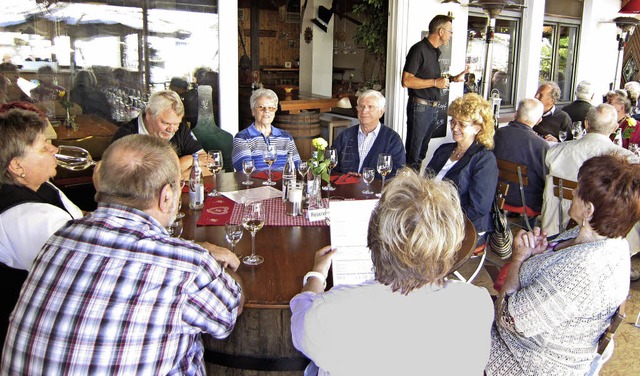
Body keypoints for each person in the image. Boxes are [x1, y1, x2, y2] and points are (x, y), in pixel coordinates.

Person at [1, 134, 244, 374]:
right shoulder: (187, 266)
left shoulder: (56, 241)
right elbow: (228, 313)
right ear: (167, 196)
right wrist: (215, 262)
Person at [291, 167, 493, 375]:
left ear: (373, 237)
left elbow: (299, 320)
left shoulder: (332, 311)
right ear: (449, 245)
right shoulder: (477, 302)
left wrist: (316, 274)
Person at [487, 154, 640, 375]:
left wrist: (519, 258)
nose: (573, 193)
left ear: (589, 211)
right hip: (535, 335)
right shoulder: (601, 238)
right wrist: (538, 252)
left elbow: (508, 319)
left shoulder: (584, 270)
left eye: (578, 191)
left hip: (526, 358)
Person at [0, 107, 84, 351]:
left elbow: (78, 218)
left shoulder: (44, 187)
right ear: (17, 166)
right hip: (38, 337)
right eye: (44, 148)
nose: (54, 150)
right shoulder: (28, 216)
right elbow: (80, 273)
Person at [540, 104, 640, 280]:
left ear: (586, 124)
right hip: (606, 226)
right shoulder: (627, 161)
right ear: (615, 128)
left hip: (561, 217)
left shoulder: (557, 151)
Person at [426, 93, 498, 245]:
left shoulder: (484, 160)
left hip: (464, 226)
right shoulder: (444, 150)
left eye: (462, 124)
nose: (454, 127)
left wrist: (443, 219)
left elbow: (479, 208)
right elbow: (425, 183)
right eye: (453, 121)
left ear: (478, 128)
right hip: (432, 218)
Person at [401, 14, 468, 170]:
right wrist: (435, 82)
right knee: (414, 155)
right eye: (450, 31)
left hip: (432, 108)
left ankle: (414, 188)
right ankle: (407, 191)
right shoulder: (419, 49)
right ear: (441, 31)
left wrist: (452, 79)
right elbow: (406, 81)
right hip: (420, 107)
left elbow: (432, 80)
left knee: (421, 154)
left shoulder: (435, 52)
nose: (451, 35)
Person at [112, 90, 206, 178]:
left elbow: (209, 165)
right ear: (149, 114)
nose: (171, 129)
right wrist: (187, 162)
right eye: (165, 123)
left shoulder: (180, 129)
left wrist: (179, 173)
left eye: (176, 123)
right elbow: (142, 180)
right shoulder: (126, 136)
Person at [493, 98, 548, 217]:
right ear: (539, 120)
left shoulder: (498, 134)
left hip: (496, 193)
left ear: (516, 114)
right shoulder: (540, 145)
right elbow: (546, 178)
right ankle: (528, 230)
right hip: (526, 201)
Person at [331, 90, 406, 178]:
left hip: (377, 190)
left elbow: (398, 173)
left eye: (370, 107)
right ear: (357, 109)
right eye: (361, 106)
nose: (364, 111)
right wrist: (345, 177)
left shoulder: (392, 140)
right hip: (346, 189)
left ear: (381, 112)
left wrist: (367, 180)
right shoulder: (345, 136)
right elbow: (331, 166)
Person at [232, 88, 301, 171]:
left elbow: (298, 167)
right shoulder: (242, 138)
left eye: (271, 108)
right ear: (253, 111)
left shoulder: (286, 137)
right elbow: (246, 171)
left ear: (275, 111)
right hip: (257, 183)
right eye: (261, 107)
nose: (266, 111)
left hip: (284, 182)